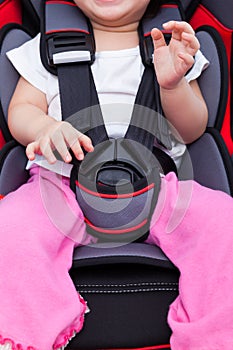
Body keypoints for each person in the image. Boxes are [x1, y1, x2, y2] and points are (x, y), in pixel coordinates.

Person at [1, 0, 233, 349]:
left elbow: (191, 129)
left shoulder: (173, 48)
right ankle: (27, 334)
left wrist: (172, 86)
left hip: (155, 186)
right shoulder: (43, 49)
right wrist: (45, 127)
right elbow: (20, 110)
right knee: (12, 226)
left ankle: (213, 336)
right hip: (59, 184)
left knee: (222, 221)